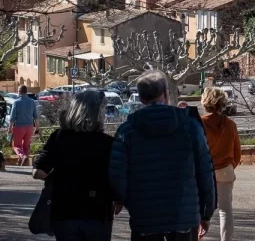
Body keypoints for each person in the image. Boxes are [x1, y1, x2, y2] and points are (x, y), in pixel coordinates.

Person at [110, 70, 216, 240]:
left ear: (142, 97)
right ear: (166, 93)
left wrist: (123, 198)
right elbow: (205, 172)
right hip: (184, 216)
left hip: (145, 216)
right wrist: (206, 212)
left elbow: (117, 175)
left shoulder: (127, 131)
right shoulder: (190, 127)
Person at [32, 90, 120, 241]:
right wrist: (118, 196)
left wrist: (59, 179)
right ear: (98, 113)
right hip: (97, 212)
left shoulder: (59, 137)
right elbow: (116, 176)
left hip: (64, 211)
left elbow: (38, 172)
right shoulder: (107, 143)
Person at [200, 87, 241, 241]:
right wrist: (230, 164)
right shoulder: (230, 124)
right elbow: (237, 152)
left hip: (205, 171)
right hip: (225, 170)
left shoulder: (200, 123)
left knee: (200, 209)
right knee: (225, 210)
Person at [8, 84, 39, 166]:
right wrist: (37, 127)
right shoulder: (32, 102)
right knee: (26, 146)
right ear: (26, 91)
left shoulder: (16, 102)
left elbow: (12, 117)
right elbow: (36, 116)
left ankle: (22, 156)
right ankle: (24, 164)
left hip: (19, 127)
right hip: (29, 127)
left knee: (16, 146)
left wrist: (10, 128)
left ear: (19, 92)